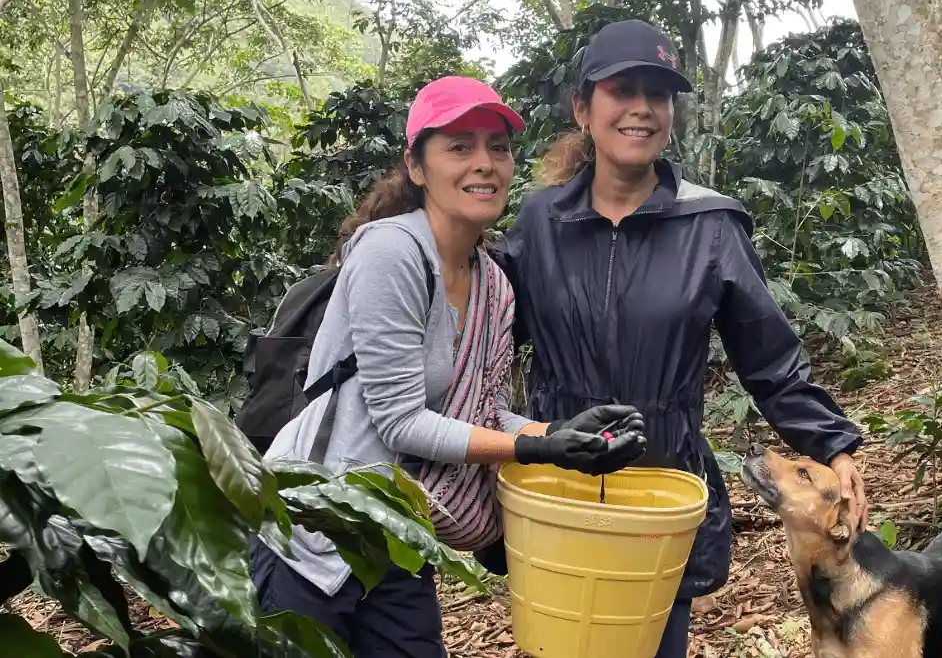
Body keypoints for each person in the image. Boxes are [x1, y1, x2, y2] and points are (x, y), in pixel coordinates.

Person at [491, 20, 869, 657]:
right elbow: (483, 333)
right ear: (584, 109)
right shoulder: (540, 222)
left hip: (662, 489)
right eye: (623, 90)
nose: (642, 108)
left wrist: (833, 444)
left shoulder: (710, 225)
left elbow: (769, 360)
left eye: (658, 94)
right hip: (560, 487)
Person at [252, 75, 648, 658]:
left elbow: (482, 412)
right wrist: (535, 451)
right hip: (314, 529)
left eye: (498, 147)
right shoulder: (391, 252)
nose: (484, 164)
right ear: (417, 167)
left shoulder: (492, 282)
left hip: (398, 535)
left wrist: (560, 433)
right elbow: (400, 422)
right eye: (459, 147)